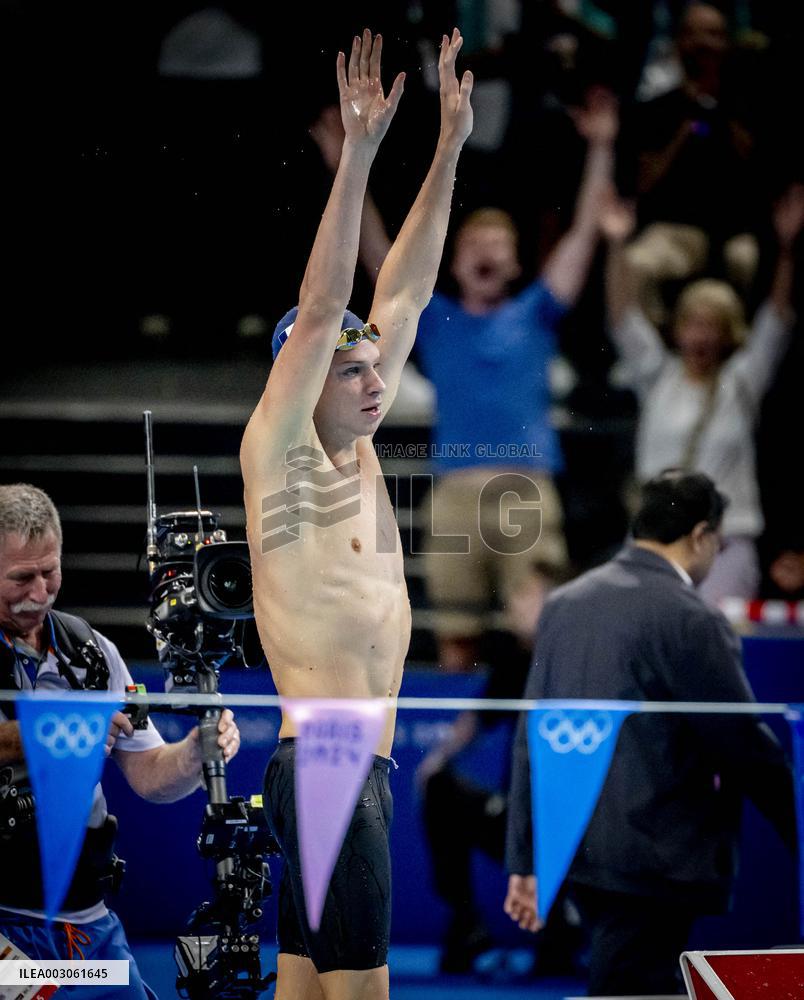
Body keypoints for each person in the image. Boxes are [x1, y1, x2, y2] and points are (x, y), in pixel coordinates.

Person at [239, 28, 472, 1000]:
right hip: (334, 751)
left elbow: (405, 289)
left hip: (337, 764)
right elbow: (328, 293)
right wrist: (360, 154)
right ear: (301, 377)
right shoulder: (279, 447)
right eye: (352, 367)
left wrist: (451, 141)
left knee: (303, 983)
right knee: (360, 993)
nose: (377, 383)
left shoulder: (360, 448)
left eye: (376, 364)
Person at [504, 469, 796, 997]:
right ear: (702, 535)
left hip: (578, 850)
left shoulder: (566, 603)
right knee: (632, 987)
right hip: (656, 854)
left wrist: (527, 856)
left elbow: (533, 735)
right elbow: (744, 746)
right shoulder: (689, 617)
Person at [0, 483, 241, 1000]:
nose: (39, 593)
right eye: (21, 578)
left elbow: (151, 775)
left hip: (89, 931)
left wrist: (198, 750)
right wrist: (61, 731)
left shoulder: (92, 651)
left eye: (50, 573)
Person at [602, 181, 804, 606]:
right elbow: (623, 317)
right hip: (655, 543)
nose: (702, 335)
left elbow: (778, 321)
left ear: (729, 333)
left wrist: (787, 249)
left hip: (723, 545)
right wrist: (617, 246)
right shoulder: (659, 378)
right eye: (694, 323)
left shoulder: (741, 383)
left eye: (713, 325)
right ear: (678, 329)